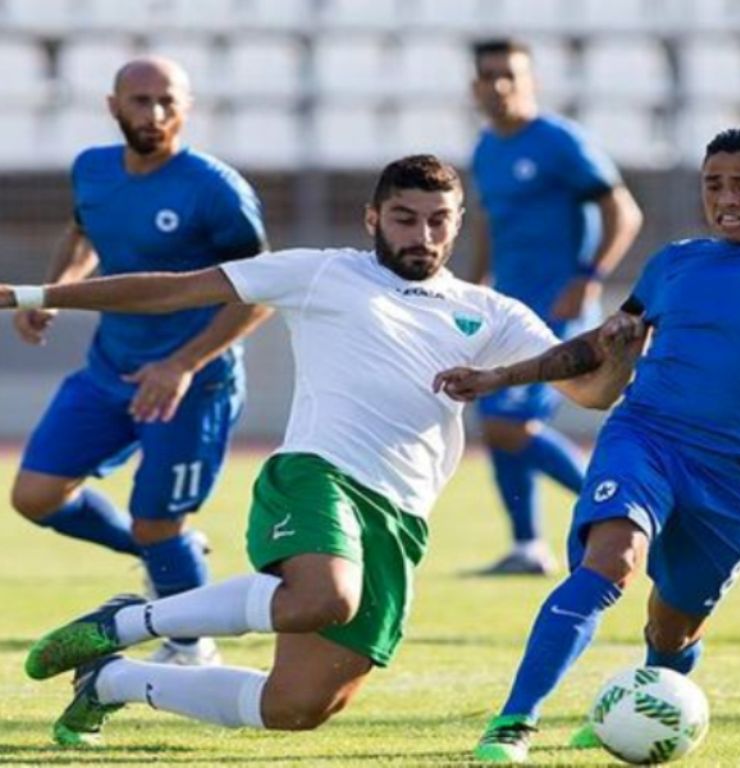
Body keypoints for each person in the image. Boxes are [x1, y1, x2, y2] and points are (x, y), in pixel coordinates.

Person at [10, 155, 638, 748]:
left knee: (298, 706)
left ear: (458, 224)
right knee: (324, 597)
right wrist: (35, 294)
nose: (422, 235)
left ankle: (111, 681)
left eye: (438, 221)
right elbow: (175, 290)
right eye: (405, 218)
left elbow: (589, 392)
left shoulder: (491, 312)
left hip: (402, 516)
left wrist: (621, 354)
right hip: (319, 474)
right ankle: (123, 624)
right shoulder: (321, 273)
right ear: (372, 218)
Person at [433, 125, 740, 764]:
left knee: (673, 626)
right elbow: (596, 347)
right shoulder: (675, 262)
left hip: (738, 476)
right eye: (714, 185)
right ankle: (513, 723)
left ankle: (641, 700)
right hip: (647, 436)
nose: (726, 199)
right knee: (610, 561)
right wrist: (500, 377)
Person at [8, 57, 270, 666]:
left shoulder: (214, 189)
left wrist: (182, 364)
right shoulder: (92, 169)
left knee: (158, 524)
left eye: (167, 101)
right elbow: (83, 233)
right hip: (110, 369)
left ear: (187, 107)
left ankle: (190, 647)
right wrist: (53, 293)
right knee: (35, 496)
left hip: (192, 384)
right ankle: (172, 557)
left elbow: (260, 295)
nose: (155, 114)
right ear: (113, 106)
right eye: (140, 100)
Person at [469, 38, 643, 575]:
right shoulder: (486, 148)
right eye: (489, 75)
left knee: (509, 426)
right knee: (495, 423)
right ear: (475, 86)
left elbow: (623, 211)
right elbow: (489, 224)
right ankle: (527, 546)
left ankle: (628, 510)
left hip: (557, 312)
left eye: (510, 74)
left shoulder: (560, 141)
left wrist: (589, 278)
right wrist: (472, 288)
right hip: (508, 309)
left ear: (532, 82)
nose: (499, 85)